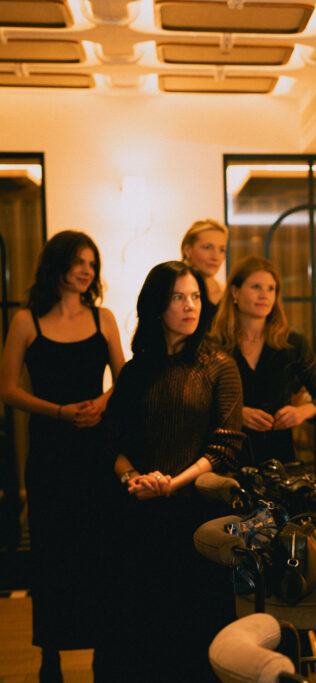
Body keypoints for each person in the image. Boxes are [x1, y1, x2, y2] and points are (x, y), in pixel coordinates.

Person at [96, 261, 244, 682]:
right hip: (137, 511)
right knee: (140, 628)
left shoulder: (219, 364)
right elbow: (110, 443)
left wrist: (170, 484)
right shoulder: (135, 370)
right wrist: (134, 479)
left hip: (198, 515)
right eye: (178, 297)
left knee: (194, 628)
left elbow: (225, 447)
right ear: (157, 306)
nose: (190, 305)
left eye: (195, 296)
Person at [0, 231, 125, 682]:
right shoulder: (25, 321)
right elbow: (7, 389)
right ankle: (49, 655)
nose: (87, 270)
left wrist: (102, 403)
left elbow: (124, 379)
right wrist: (58, 411)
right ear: (57, 264)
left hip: (97, 450)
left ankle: (101, 653)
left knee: (99, 550)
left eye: (92, 263)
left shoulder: (103, 318)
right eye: (78, 261)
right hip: (51, 454)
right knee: (52, 554)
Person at [210, 256, 316, 465]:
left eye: (271, 289)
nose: (264, 295)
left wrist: (302, 412)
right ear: (235, 292)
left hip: (280, 459)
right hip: (226, 458)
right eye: (256, 287)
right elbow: (200, 403)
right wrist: (237, 413)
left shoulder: (292, 343)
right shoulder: (214, 344)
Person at [181, 218, 228, 304]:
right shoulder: (171, 290)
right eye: (207, 247)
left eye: (222, 250)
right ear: (187, 250)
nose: (215, 257)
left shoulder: (228, 294)